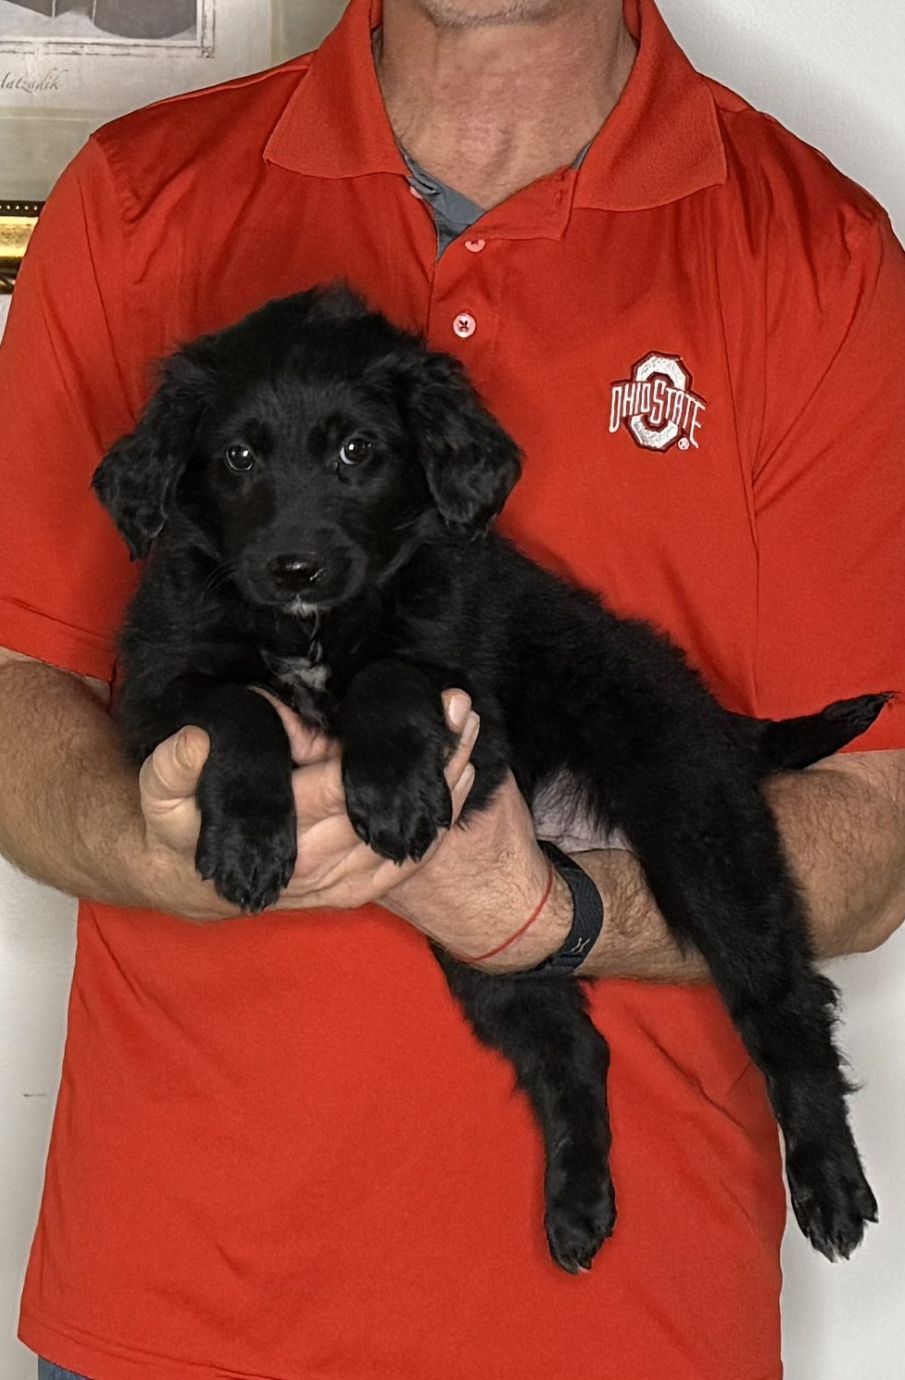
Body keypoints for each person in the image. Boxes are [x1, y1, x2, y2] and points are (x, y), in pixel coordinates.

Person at [1, 0, 904, 1376]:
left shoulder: (816, 256)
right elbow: (18, 691)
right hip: (175, 1306)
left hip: (625, 1334)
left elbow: (874, 837)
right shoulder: (138, 198)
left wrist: (552, 912)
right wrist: (149, 843)